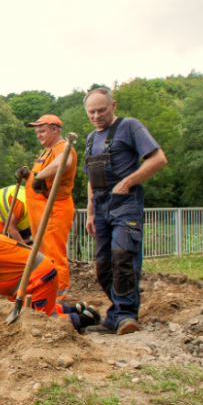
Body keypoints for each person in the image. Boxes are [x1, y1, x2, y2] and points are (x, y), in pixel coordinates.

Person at [83, 88, 167, 335]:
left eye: (101, 110)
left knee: (123, 257)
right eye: (91, 112)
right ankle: (115, 315)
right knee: (103, 266)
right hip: (99, 206)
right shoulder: (90, 139)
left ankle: (127, 315)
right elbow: (91, 179)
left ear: (113, 105)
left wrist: (129, 181)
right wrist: (89, 211)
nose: (96, 115)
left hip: (125, 202)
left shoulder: (130, 126)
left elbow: (158, 158)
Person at [25, 114, 77, 300]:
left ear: (54, 129)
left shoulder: (62, 147)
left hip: (55, 208)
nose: (38, 135)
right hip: (42, 211)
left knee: (54, 253)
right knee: (45, 254)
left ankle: (60, 295)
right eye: (37, 132)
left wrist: (38, 177)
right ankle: (47, 291)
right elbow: (46, 175)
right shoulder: (47, 151)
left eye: (42, 131)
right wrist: (29, 177)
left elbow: (65, 162)